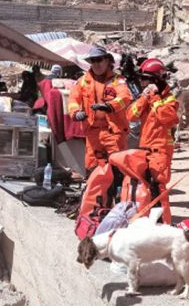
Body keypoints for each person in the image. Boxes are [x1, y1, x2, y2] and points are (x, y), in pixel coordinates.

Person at [68, 47, 133, 216]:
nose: (96, 64)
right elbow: (73, 100)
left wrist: (109, 106)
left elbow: (125, 97)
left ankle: (118, 208)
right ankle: (95, 207)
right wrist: (76, 113)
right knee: (93, 169)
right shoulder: (83, 81)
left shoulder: (118, 80)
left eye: (99, 60)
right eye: (92, 61)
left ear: (107, 60)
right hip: (93, 133)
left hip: (114, 132)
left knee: (117, 170)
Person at [127, 58, 180, 224]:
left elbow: (168, 118)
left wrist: (155, 98)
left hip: (160, 151)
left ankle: (164, 225)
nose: (142, 82)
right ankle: (148, 222)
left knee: (158, 190)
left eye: (145, 79)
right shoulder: (147, 98)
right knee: (146, 190)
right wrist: (144, 98)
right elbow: (131, 115)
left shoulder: (169, 99)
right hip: (145, 150)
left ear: (156, 80)